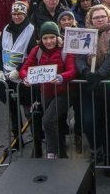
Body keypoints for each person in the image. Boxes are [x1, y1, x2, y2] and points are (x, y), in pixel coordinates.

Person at [77, 4, 110, 174]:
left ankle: (108, 155)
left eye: (102, 16)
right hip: (89, 85)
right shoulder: (85, 33)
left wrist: (100, 73)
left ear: (108, 17)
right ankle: (96, 148)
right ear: (90, 19)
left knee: (109, 123)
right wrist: (84, 71)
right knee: (89, 120)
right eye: (96, 17)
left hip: (108, 84)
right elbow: (78, 55)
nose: (100, 20)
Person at [19, 21, 77, 159]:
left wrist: (62, 77)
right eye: (45, 38)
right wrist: (25, 78)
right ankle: (62, 154)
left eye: (52, 37)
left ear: (57, 37)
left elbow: (72, 70)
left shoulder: (65, 50)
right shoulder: (37, 50)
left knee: (48, 120)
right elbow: (24, 68)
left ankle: (52, 153)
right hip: (46, 92)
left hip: (64, 92)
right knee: (57, 124)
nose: (49, 41)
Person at [0, 1, 37, 141]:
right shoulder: (6, 29)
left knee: (29, 110)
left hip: (24, 77)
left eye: (20, 14)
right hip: (7, 77)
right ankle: (17, 139)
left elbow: (33, 54)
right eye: (14, 14)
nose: (17, 17)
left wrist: (20, 70)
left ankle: (36, 137)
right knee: (13, 111)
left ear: (25, 14)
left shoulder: (32, 29)